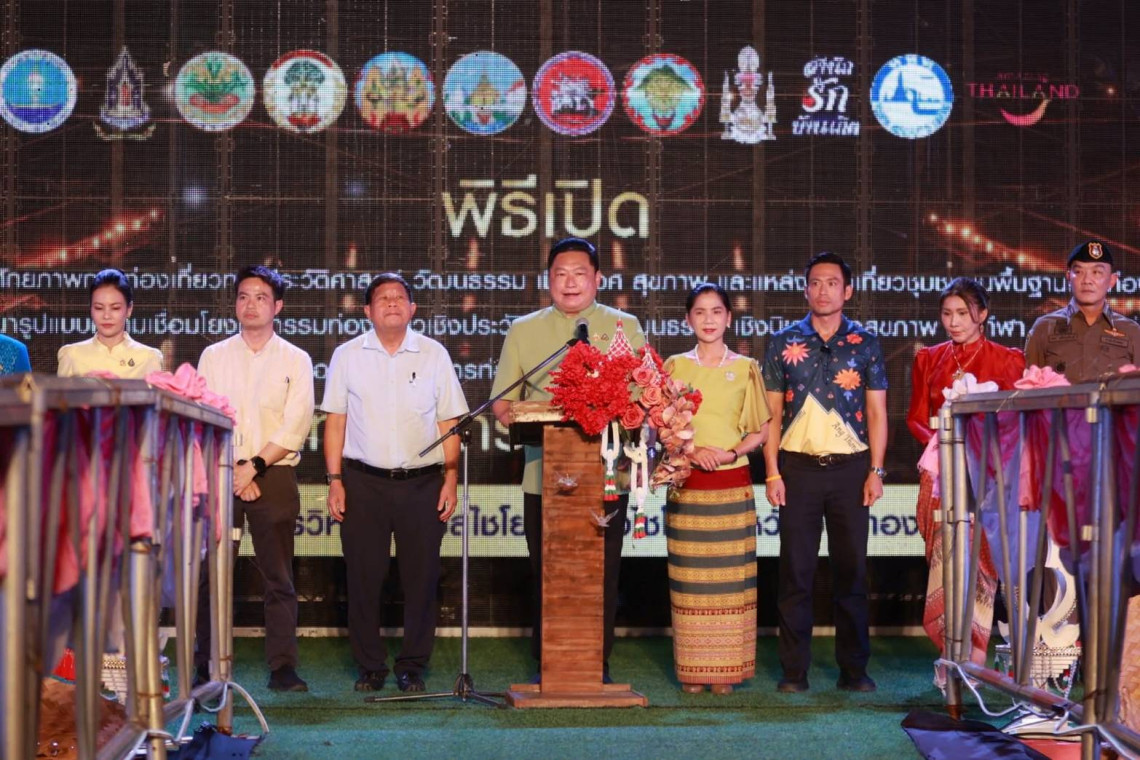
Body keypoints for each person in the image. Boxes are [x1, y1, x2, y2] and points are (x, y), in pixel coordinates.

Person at [490, 237, 645, 682]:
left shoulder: (624, 325)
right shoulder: (524, 329)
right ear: (548, 280)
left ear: (598, 279)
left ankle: (598, 664)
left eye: (580, 273)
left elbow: (643, 394)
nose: (570, 282)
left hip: (606, 475)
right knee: (548, 572)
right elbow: (503, 404)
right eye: (560, 274)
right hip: (544, 473)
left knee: (602, 573)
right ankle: (550, 664)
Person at [322, 273, 467, 693]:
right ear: (367, 311)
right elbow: (335, 422)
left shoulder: (434, 354)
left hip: (422, 485)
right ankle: (370, 665)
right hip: (362, 483)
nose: (391, 303)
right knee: (363, 578)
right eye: (382, 298)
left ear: (412, 308)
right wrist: (335, 480)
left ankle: (412, 666)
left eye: (399, 297)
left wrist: (451, 478)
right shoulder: (347, 355)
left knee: (421, 580)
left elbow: (449, 422)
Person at [762, 251, 887, 694]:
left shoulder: (866, 342)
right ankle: (794, 671)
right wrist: (772, 472)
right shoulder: (783, 342)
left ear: (847, 290)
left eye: (832, 283)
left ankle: (854, 670)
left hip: (851, 471)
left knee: (851, 573)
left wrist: (876, 470)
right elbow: (771, 415)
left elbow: (877, 412)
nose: (823, 290)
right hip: (797, 470)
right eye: (815, 282)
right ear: (805, 289)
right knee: (796, 573)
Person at [197, 266, 314, 692]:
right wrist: (234, 469)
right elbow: (205, 415)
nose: (251, 304)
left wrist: (254, 466)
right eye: (244, 296)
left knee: (278, 576)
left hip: (273, 475)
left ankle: (282, 667)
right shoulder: (213, 356)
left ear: (277, 306)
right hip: (220, 473)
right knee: (212, 574)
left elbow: (296, 424)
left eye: (261, 297)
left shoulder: (296, 359)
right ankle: (205, 664)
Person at [906, 277, 1024, 671]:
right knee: (945, 559)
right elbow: (916, 417)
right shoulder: (929, 358)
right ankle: (948, 654)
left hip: (988, 476)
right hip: (942, 473)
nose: (954, 322)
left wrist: (979, 447)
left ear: (982, 314)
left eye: (963, 313)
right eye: (947, 314)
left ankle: (974, 654)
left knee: (982, 562)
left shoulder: (1007, 359)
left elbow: (1016, 421)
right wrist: (946, 443)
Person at [663, 283, 770, 695]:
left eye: (716, 311)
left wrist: (728, 454)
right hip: (687, 487)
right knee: (690, 584)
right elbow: (660, 428)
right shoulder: (674, 366)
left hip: (731, 485)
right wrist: (689, 451)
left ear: (728, 317)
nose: (708, 320)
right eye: (700, 312)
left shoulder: (746, 368)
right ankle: (692, 670)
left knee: (729, 584)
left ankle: (725, 672)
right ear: (687, 319)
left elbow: (760, 431)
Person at [1025, 240, 1140, 382]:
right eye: (1078, 272)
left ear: (1112, 280)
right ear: (1068, 277)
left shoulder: (1132, 331)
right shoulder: (1043, 327)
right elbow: (1030, 386)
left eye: (1097, 272)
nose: (1087, 280)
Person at [57, 268, 163, 378]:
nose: (106, 316)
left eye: (115, 308)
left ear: (129, 309)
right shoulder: (72, 355)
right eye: (99, 308)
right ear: (91, 309)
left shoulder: (148, 358)